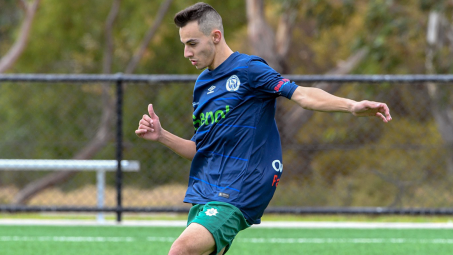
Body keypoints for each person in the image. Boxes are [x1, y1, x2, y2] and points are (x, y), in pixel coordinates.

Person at [134, 3, 392, 255]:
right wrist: (162, 135)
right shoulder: (202, 84)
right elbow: (201, 150)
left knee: (180, 250)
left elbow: (301, 95)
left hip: (240, 186)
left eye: (192, 44)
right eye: (184, 45)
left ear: (215, 36)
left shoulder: (248, 69)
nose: (187, 53)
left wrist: (351, 106)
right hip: (207, 189)